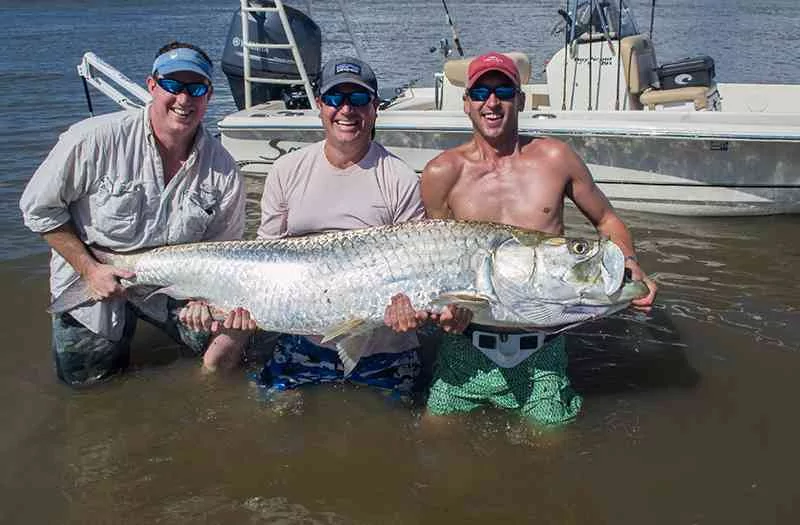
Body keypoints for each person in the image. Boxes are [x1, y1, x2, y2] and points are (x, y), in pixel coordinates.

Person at [387, 51, 658, 426]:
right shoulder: (442, 172)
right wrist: (440, 315)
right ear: (466, 103)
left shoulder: (555, 158)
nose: (492, 102)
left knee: (551, 440)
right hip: (465, 346)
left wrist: (628, 262)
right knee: (437, 435)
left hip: (541, 349)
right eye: (480, 92)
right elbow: (434, 263)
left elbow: (606, 219)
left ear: (521, 100)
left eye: (503, 92)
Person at [19, 41, 253, 387]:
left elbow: (222, 252)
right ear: (152, 85)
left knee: (238, 340)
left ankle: (205, 394)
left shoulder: (224, 169)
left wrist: (202, 299)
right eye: (172, 85)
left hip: (177, 285)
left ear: (208, 95)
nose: (184, 99)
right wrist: (90, 271)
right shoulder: (93, 139)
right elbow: (38, 209)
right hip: (93, 276)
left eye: (196, 88)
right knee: (87, 388)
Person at [236, 56, 469, 401]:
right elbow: (265, 259)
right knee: (264, 406)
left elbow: (417, 268)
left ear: (374, 108)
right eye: (335, 98)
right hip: (305, 340)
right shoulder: (286, 170)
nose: (346, 109)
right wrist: (242, 305)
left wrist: (413, 310)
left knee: (398, 423)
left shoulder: (400, 178)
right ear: (320, 105)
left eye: (358, 99)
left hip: (385, 348)